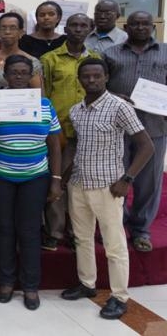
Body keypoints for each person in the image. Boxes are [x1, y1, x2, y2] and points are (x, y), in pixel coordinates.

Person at [62, 58, 154, 319]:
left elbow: (147, 146)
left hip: (108, 186)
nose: (91, 80)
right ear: (80, 79)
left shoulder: (119, 107)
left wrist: (127, 179)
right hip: (79, 184)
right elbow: (78, 146)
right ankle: (87, 283)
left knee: (114, 244)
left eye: (96, 76)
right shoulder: (76, 110)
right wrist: (63, 179)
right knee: (82, 238)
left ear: (106, 78)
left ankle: (119, 297)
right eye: (86, 76)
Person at [0, 55, 62, 311]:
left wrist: (56, 180)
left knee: (30, 230)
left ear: (31, 76)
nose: (19, 77)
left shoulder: (44, 105)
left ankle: (31, 286)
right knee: (5, 228)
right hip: (0, 175)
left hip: (35, 175)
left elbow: (55, 145)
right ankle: (6, 282)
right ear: (6, 76)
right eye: (14, 72)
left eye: (24, 72)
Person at [0, 13, 42, 241]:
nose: (8, 32)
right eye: (3, 27)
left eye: (13, 27)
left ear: (22, 31)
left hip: (21, 130)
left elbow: (37, 97)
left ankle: (21, 232)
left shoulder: (31, 61)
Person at [103, 11, 167, 252]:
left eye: (145, 24)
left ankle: (141, 230)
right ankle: (116, 226)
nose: (140, 27)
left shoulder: (165, 52)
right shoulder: (111, 53)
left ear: (152, 27)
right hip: (117, 128)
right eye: (135, 24)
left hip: (154, 126)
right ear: (126, 27)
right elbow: (99, 84)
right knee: (116, 178)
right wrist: (113, 96)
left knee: (148, 183)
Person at [39, 13, 101, 251]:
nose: (78, 29)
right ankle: (54, 232)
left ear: (90, 29)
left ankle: (78, 233)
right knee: (56, 180)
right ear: (65, 28)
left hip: (89, 131)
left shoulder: (96, 58)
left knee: (82, 184)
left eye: (83, 25)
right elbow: (43, 95)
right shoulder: (50, 59)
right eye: (73, 25)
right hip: (60, 132)